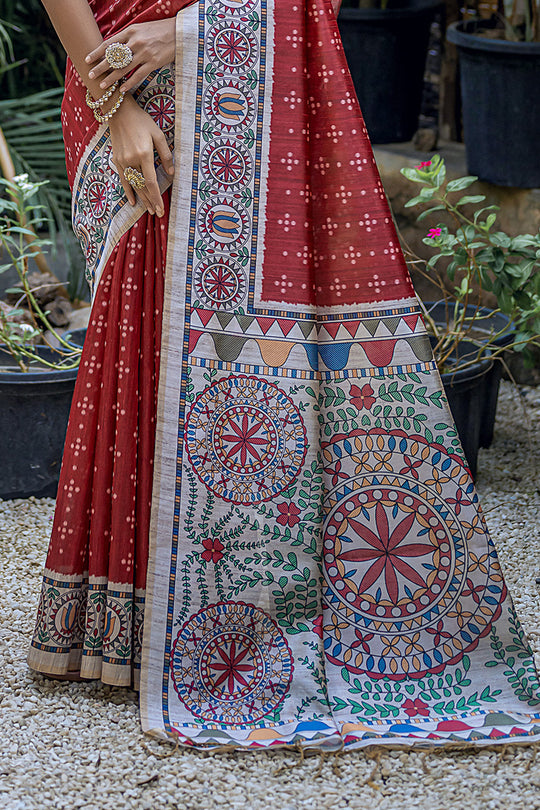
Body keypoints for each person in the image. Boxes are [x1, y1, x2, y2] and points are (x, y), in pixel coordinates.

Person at [29, 0, 540, 751]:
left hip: (219, 57)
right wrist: (116, 106)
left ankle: (229, 618)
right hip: (118, 62)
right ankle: (132, 620)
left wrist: (194, 32)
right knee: (144, 312)